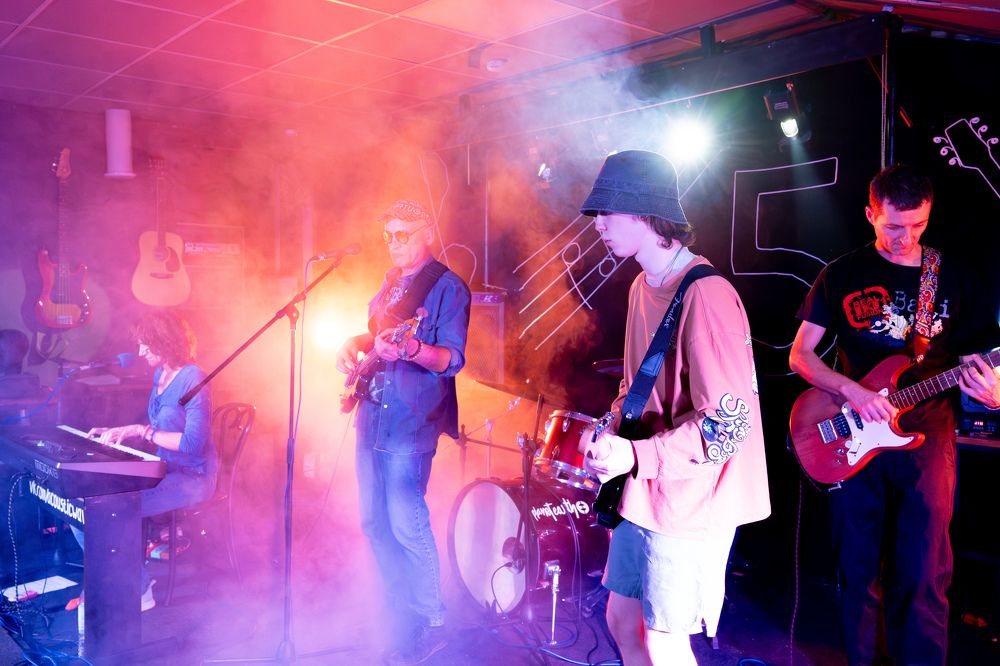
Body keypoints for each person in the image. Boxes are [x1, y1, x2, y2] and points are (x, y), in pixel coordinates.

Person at [789, 163, 1000, 666]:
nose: (906, 238)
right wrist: (852, 392)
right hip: (853, 432)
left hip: (928, 436)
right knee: (857, 566)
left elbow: (983, 363)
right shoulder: (841, 273)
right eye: (893, 226)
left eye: (918, 225)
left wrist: (994, 395)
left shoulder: (955, 277)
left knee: (925, 568)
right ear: (870, 214)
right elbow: (800, 356)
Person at [578, 150, 771, 666]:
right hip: (646, 487)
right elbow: (635, 386)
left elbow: (727, 427)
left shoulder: (707, 295)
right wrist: (608, 432)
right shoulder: (641, 286)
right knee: (622, 620)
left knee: (665, 642)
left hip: (692, 497)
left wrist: (634, 457)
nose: (598, 225)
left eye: (607, 212)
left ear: (645, 212)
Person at [335, 199, 470, 666]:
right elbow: (376, 335)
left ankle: (432, 621)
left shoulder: (448, 287)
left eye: (402, 234)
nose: (392, 243)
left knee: (406, 525)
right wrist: (353, 344)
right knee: (373, 522)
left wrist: (412, 349)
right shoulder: (391, 280)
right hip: (372, 415)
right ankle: (398, 612)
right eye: (387, 235)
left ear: (426, 232)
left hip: (409, 424)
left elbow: (452, 359)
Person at [80, 310, 216, 612]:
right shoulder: (160, 375)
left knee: (112, 510)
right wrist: (123, 431)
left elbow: (192, 444)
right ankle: (116, 579)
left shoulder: (194, 378)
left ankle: (139, 589)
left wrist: (141, 431)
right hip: (162, 469)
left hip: (192, 477)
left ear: (165, 341)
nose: (140, 352)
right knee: (86, 501)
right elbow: (157, 427)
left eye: (146, 344)